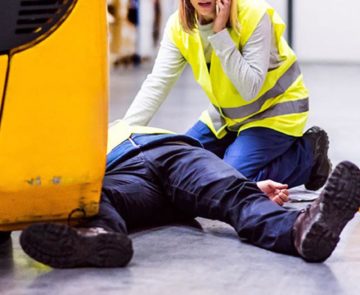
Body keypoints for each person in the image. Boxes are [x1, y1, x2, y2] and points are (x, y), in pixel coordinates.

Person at [19, 120, 360, 268]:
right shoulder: (85, 131)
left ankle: (303, 229)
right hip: (122, 170)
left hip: (171, 151)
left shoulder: (124, 125)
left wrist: (251, 184)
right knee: (95, 197)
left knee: (235, 192)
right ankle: (101, 239)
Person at [122, 0, 331, 190]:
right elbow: (157, 83)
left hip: (274, 112)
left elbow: (249, 89)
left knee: (227, 182)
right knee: (178, 164)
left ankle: (307, 157)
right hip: (226, 116)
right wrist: (124, 134)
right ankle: (232, 157)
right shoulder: (178, 26)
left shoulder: (253, 14)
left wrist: (220, 34)